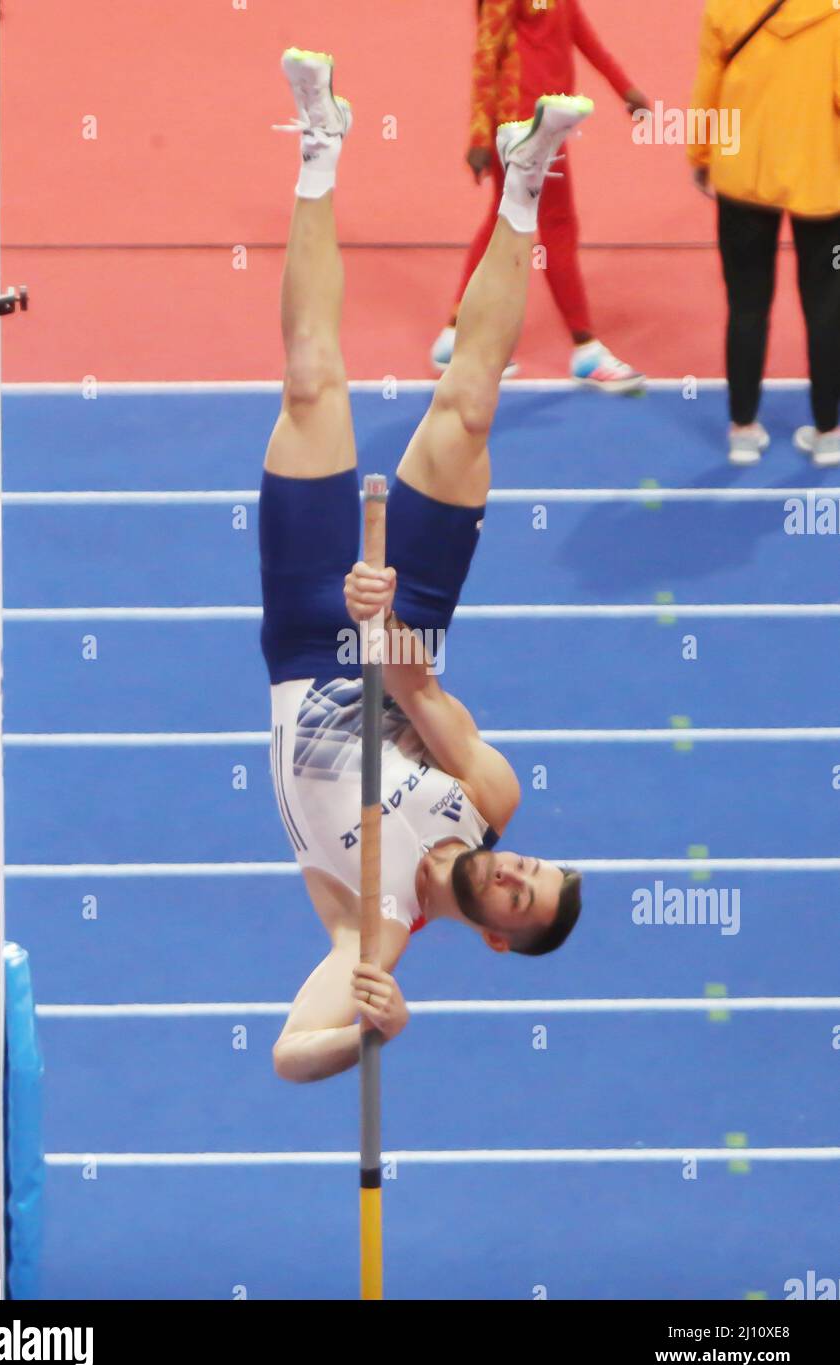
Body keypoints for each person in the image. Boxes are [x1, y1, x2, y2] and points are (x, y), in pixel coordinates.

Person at [264, 49, 583, 1084]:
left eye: (519, 895)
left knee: (313, 383)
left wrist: (373, 1029)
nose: (518, 871)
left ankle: (319, 146)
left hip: (312, 643)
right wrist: (385, 618)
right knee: (470, 410)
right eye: (534, 868)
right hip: (392, 627)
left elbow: (286, 1057)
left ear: (497, 934)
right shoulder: (487, 792)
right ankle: (524, 179)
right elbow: (415, 685)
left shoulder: (378, 925)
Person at [431, 0, 650, 390]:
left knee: (507, 220)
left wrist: (625, 88)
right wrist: (480, 135)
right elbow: (486, 54)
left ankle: (454, 334)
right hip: (521, 125)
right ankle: (585, 347)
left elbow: (582, 36)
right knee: (557, 225)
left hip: (549, 123)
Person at [689, 0, 840, 467]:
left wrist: (700, 154)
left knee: (747, 305)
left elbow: (708, 86)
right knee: (827, 309)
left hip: (743, 180)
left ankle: (742, 428)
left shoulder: (725, 7)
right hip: (824, 182)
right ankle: (829, 432)